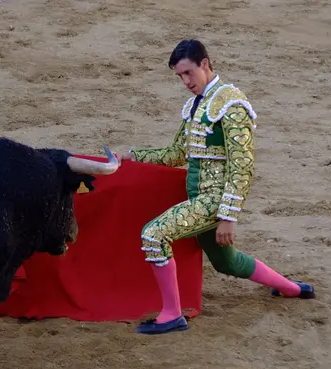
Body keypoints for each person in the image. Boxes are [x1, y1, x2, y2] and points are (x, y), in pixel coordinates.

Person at [119, 39, 315, 335]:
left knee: (153, 234)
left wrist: (228, 217)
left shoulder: (232, 104)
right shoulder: (197, 105)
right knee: (228, 263)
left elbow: (243, 165)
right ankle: (290, 288)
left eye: (188, 73)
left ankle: (172, 314)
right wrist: (134, 156)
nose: (185, 82)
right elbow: (176, 153)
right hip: (200, 198)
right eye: (179, 77)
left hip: (213, 202)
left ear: (205, 64)